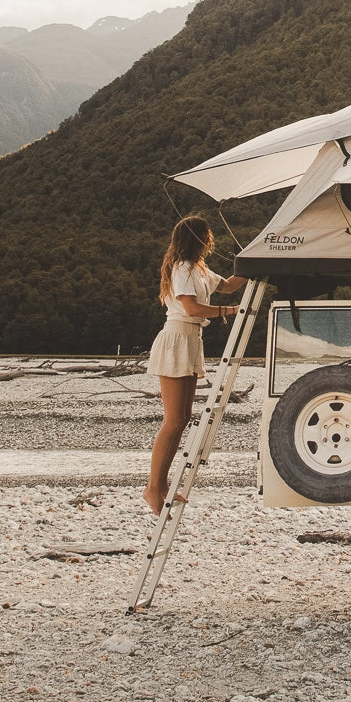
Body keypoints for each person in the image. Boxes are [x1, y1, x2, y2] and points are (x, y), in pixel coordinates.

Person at [143, 215, 246, 516]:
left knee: (183, 418)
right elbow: (190, 307)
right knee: (173, 419)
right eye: (207, 237)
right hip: (176, 338)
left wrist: (255, 269)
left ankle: (161, 487)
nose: (210, 243)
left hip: (190, 338)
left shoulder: (198, 268)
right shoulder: (183, 268)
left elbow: (227, 285)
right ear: (197, 239)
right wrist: (230, 311)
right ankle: (153, 488)